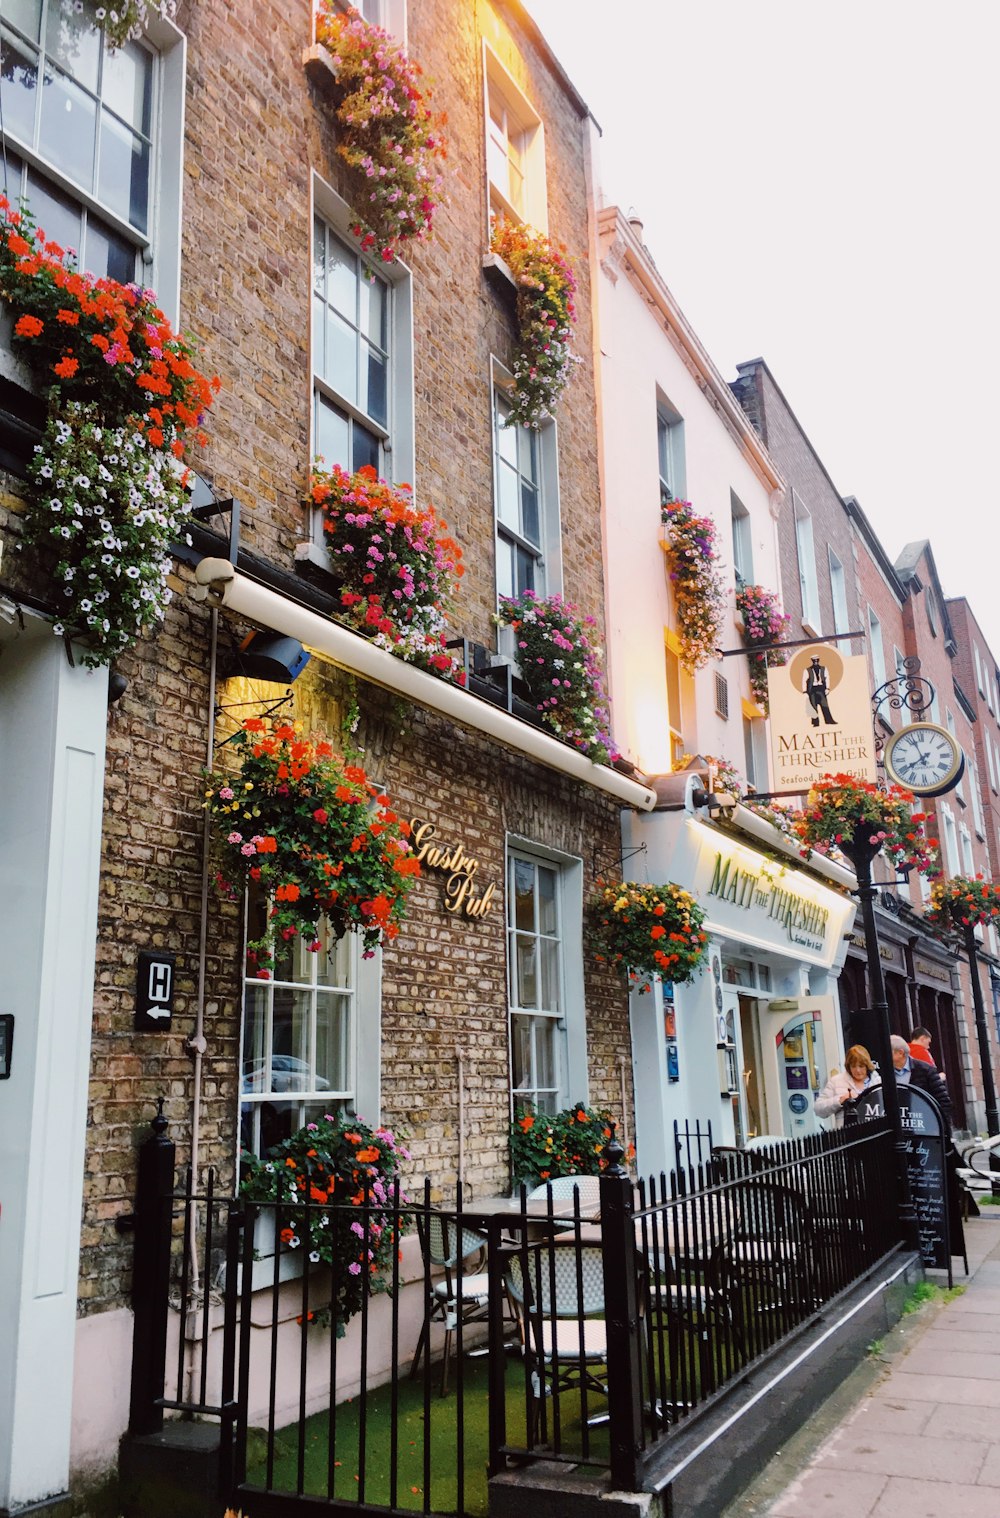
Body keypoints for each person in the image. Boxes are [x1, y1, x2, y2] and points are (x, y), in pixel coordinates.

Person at [890, 1034, 951, 1128]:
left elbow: (943, 1101)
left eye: (888, 1052)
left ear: (900, 1053)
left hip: (923, 1127)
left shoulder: (926, 1070)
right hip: (898, 1128)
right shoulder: (884, 1073)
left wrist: (940, 1129)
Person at [814, 1045, 881, 1128]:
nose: (857, 1070)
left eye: (861, 1066)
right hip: (847, 1136)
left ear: (867, 1065)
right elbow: (818, 1109)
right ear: (848, 1066)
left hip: (874, 1132)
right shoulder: (836, 1081)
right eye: (853, 1066)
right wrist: (840, 1100)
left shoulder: (878, 1081)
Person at [803, 655, 836, 727]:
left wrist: (827, 688)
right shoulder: (807, 670)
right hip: (812, 689)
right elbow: (804, 680)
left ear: (819, 660)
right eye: (814, 661)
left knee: (825, 705)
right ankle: (815, 723)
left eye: (817, 660)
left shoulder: (824, 668)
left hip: (821, 688)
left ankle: (829, 720)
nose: (816, 662)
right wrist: (805, 692)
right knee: (813, 706)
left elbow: (827, 678)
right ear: (812, 661)